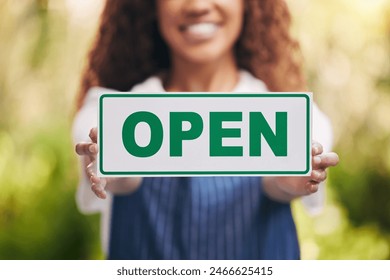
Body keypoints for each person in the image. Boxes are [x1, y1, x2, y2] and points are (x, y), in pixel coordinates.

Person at [73, 0, 339, 259]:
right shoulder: (106, 113)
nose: (198, 5)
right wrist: (109, 161)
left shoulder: (296, 117)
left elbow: (278, 184)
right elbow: (120, 177)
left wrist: (291, 179)